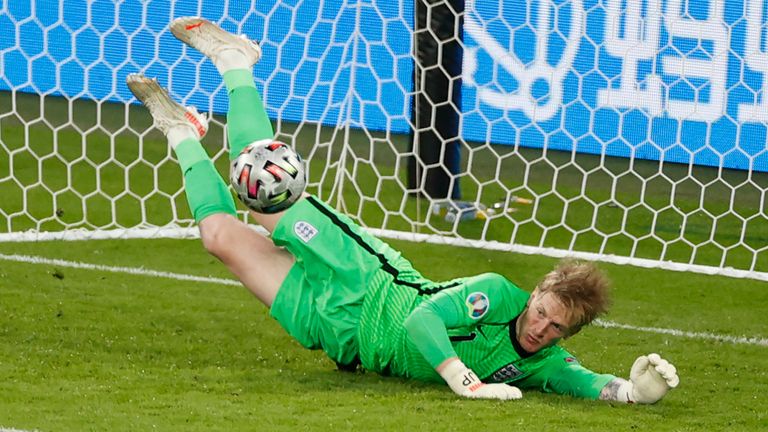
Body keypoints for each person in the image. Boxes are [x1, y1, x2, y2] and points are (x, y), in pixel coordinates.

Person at [126, 17, 680, 403]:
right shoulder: (496, 294)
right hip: (366, 280)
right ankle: (234, 61)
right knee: (263, 188)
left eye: (556, 327)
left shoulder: (542, 364)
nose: (540, 328)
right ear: (534, 295)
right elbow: (421, 319)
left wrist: (632, 393)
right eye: (542, 311)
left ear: (568, 335)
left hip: (343, 334)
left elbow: (587, 386)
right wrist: (465, 381)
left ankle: (182, 133)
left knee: (220, 237)